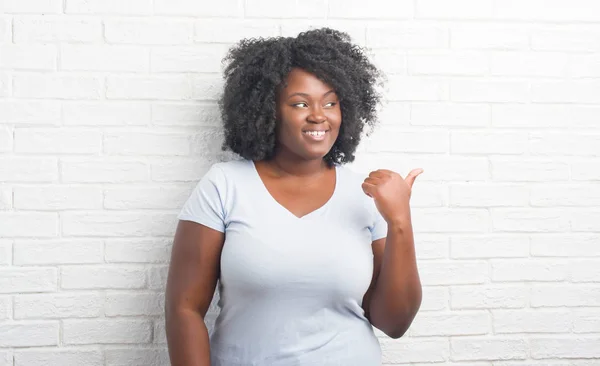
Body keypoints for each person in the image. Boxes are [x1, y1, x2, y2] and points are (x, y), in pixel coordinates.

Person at [165, 27, 423, 366]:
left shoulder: (366, 196)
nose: (318, 115)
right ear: (267, 110)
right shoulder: (225, 186)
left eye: (330, 102)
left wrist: (400, 221)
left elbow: (394, 323)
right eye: (300, 103)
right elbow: (184, 309)